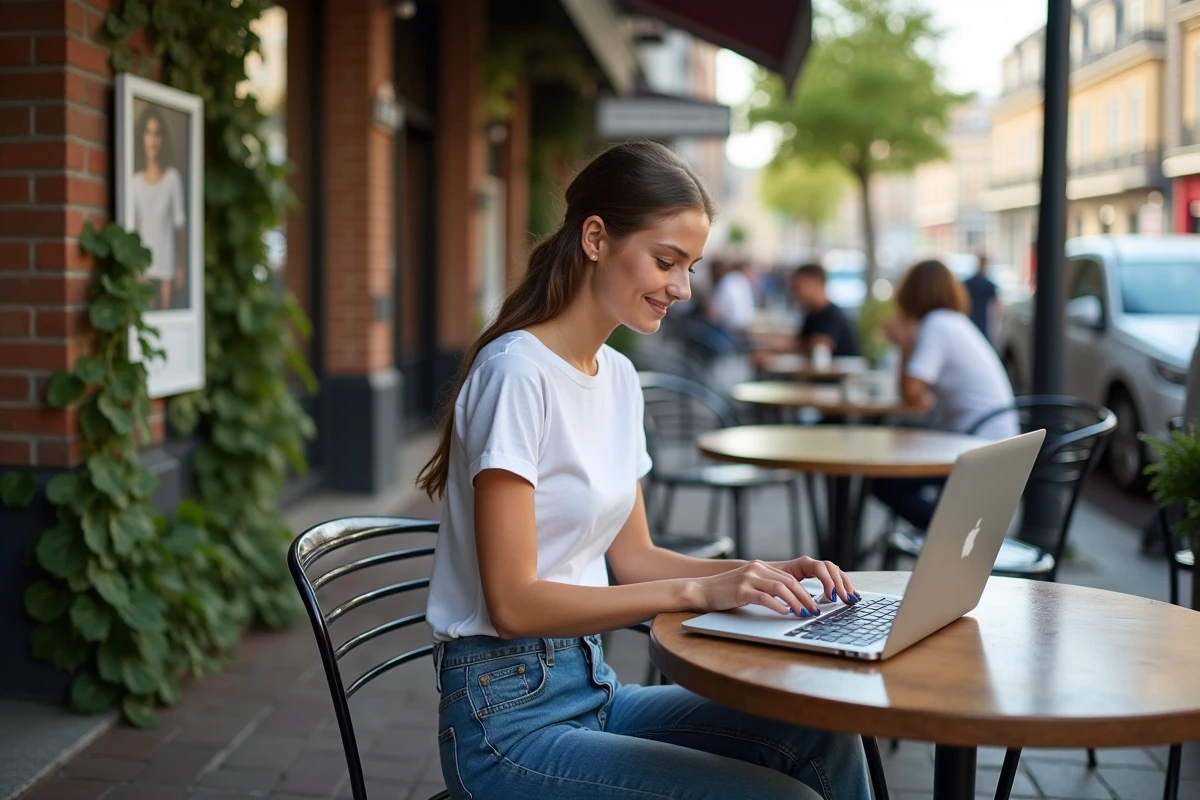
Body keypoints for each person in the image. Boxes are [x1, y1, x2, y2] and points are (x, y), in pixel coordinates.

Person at [418, 141, 871, 800]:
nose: (683, 289)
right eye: (666, 261)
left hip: (589, 688)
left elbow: (634, 558)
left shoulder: (621, 378)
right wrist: (698, 594)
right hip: (505, 724)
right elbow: (512, 604)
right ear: (596, 238)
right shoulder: (516, 374)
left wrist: (760, 575)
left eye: (690, 267)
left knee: (824, 735)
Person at [873, 259, 1018, 530]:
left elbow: (911, 395)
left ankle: (952, 535)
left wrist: (904, 344)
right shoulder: (954, 323)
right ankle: (951, 534)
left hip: (980, 452)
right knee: (890, 480)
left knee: (883, 483)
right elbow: (919, 398)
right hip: (995, 446)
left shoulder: (936, 325)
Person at [131, 105, 186, 311]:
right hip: (144, 263)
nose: (153, 140)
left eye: (157, 133)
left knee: (166, 318)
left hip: (167, 261)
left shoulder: (172, 179)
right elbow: (135, 227)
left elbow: (179, 224)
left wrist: (181, 265)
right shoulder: (135, 183)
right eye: (148, 133)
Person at [791, 262, 862, 358]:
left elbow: (820, 346)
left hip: (843, 372)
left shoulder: (832, 315)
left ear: (816, 282)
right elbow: (800, 341)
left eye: (798, 287)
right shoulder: (812, 314)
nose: (795, 292)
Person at [708, 258, 756, 344]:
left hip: (730, 329)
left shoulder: (730, 281)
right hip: (730, 331)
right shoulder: (737, 282)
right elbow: (738, 316)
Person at [963, 254, 999, 343]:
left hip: (974, 318)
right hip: (980, 320)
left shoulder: (969, 282)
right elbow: (996, 306)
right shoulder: (988, 284)